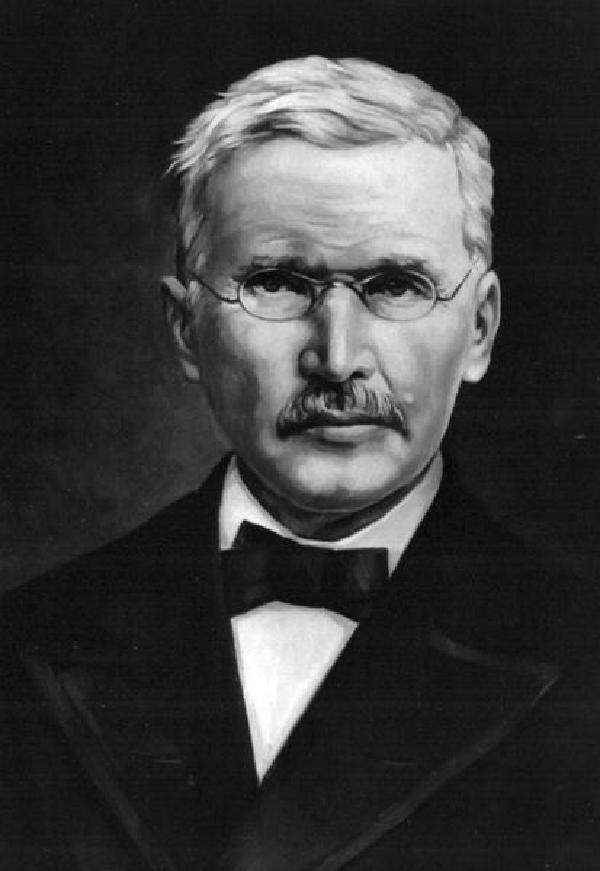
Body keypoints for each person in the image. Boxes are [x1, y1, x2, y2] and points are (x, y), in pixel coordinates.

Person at [1, 56, 597, 871]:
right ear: (186, 330)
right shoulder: (24, 644)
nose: (338, 357)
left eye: (397, 285)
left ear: (481, 329)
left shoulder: (582, 654)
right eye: (278, 282)